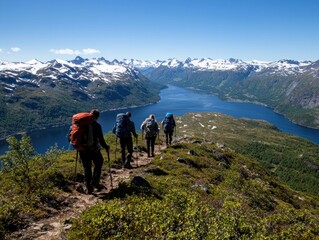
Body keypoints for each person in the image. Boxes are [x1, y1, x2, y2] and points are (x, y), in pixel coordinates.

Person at [79, 109, 110, 194]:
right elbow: (101, 140)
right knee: (99, 163)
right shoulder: (96, 125)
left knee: (87, 167)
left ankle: (88, 187)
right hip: (94, 150)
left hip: (83, 150)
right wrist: (106, 147)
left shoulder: (81, 124)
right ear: (97, 117)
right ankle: (95, 181)